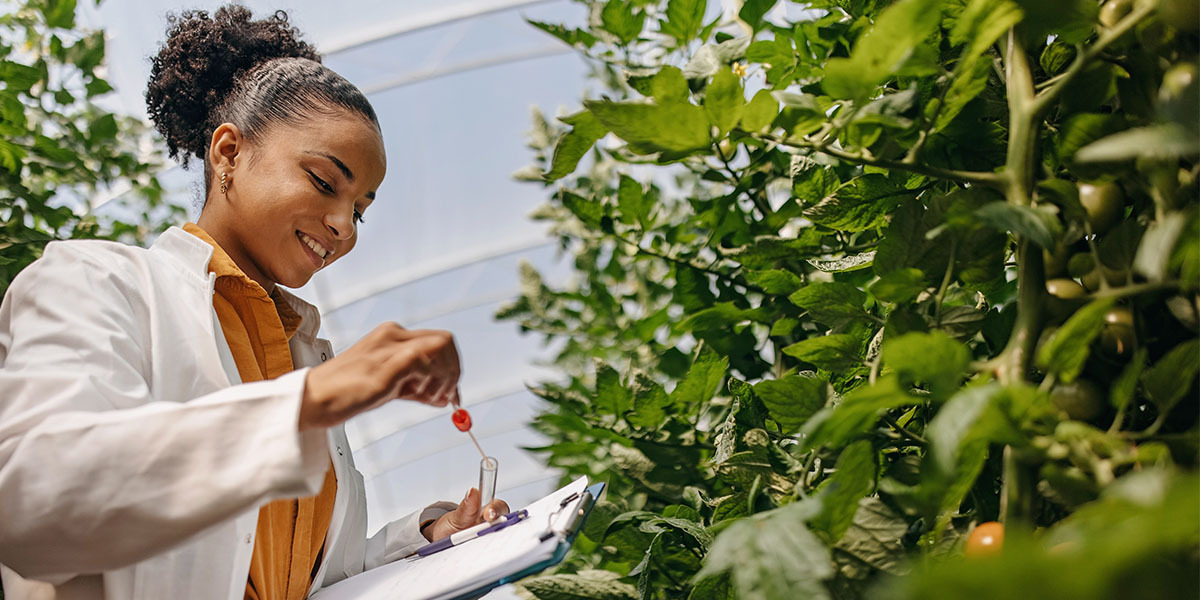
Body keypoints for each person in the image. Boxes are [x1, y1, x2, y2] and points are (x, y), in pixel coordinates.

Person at [0, 5, 507, 599]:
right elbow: (33, 507)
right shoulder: (95, 282)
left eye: (361, 210)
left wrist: (426, 539)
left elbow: (293, 573)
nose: (344, 227)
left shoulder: (301, 355)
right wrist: (309, 401)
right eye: (325, 182)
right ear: (228, 153)